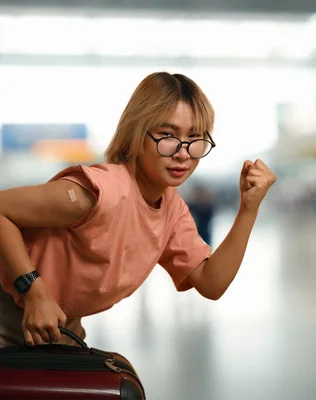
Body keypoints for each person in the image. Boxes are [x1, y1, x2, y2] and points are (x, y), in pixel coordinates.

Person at [0, 72, 277, 347]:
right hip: (11, 308)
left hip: (59, 326)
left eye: (195, 137)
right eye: (167, 135)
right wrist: (35, 292)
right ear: (136, 133)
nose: (183, 152)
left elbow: (211, 283)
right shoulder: (99, 191)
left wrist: (248, 209)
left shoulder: (172, 210)